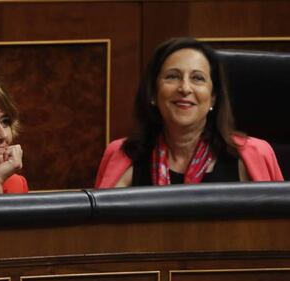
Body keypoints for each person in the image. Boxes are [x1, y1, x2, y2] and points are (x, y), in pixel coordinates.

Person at [95, 37, 283, 188]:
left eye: (197, 78)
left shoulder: (253, 156)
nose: (185, 88)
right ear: (153, 93)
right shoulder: (123, 156)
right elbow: (102, 231)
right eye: (172, 76)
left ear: (213, 97)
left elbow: (277, 230)